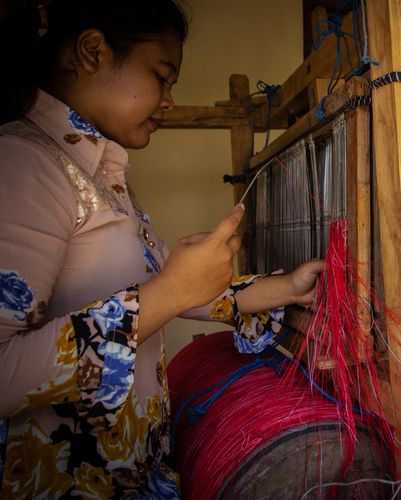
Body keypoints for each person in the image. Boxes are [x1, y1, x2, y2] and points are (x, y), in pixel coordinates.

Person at [0, 1, 323, 497]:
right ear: (92, 52)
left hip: (133, 475)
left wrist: (285, 289)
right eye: (162, 76)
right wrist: (171, 290)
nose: (169, 100)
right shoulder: (23, 164)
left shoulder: (104, 176)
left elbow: (171, 292)